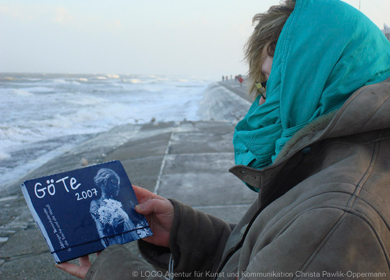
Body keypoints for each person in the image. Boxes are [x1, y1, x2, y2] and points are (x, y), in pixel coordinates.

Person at [57, 0, 390, 279]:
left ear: (315, 79)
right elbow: (268, 261)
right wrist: (184, 231)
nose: (261, 103)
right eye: (260, 87)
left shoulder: (337, 215)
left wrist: (108, 269)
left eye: (273, 85)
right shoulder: (339, 158)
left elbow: (311, 242)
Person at [90, 168, 139, 247]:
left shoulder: (118, 204)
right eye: (114, 183)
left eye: (118, 184)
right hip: (117, 244)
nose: (117, 187)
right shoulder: (96, 204)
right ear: (103, 182)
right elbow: (102, 232)